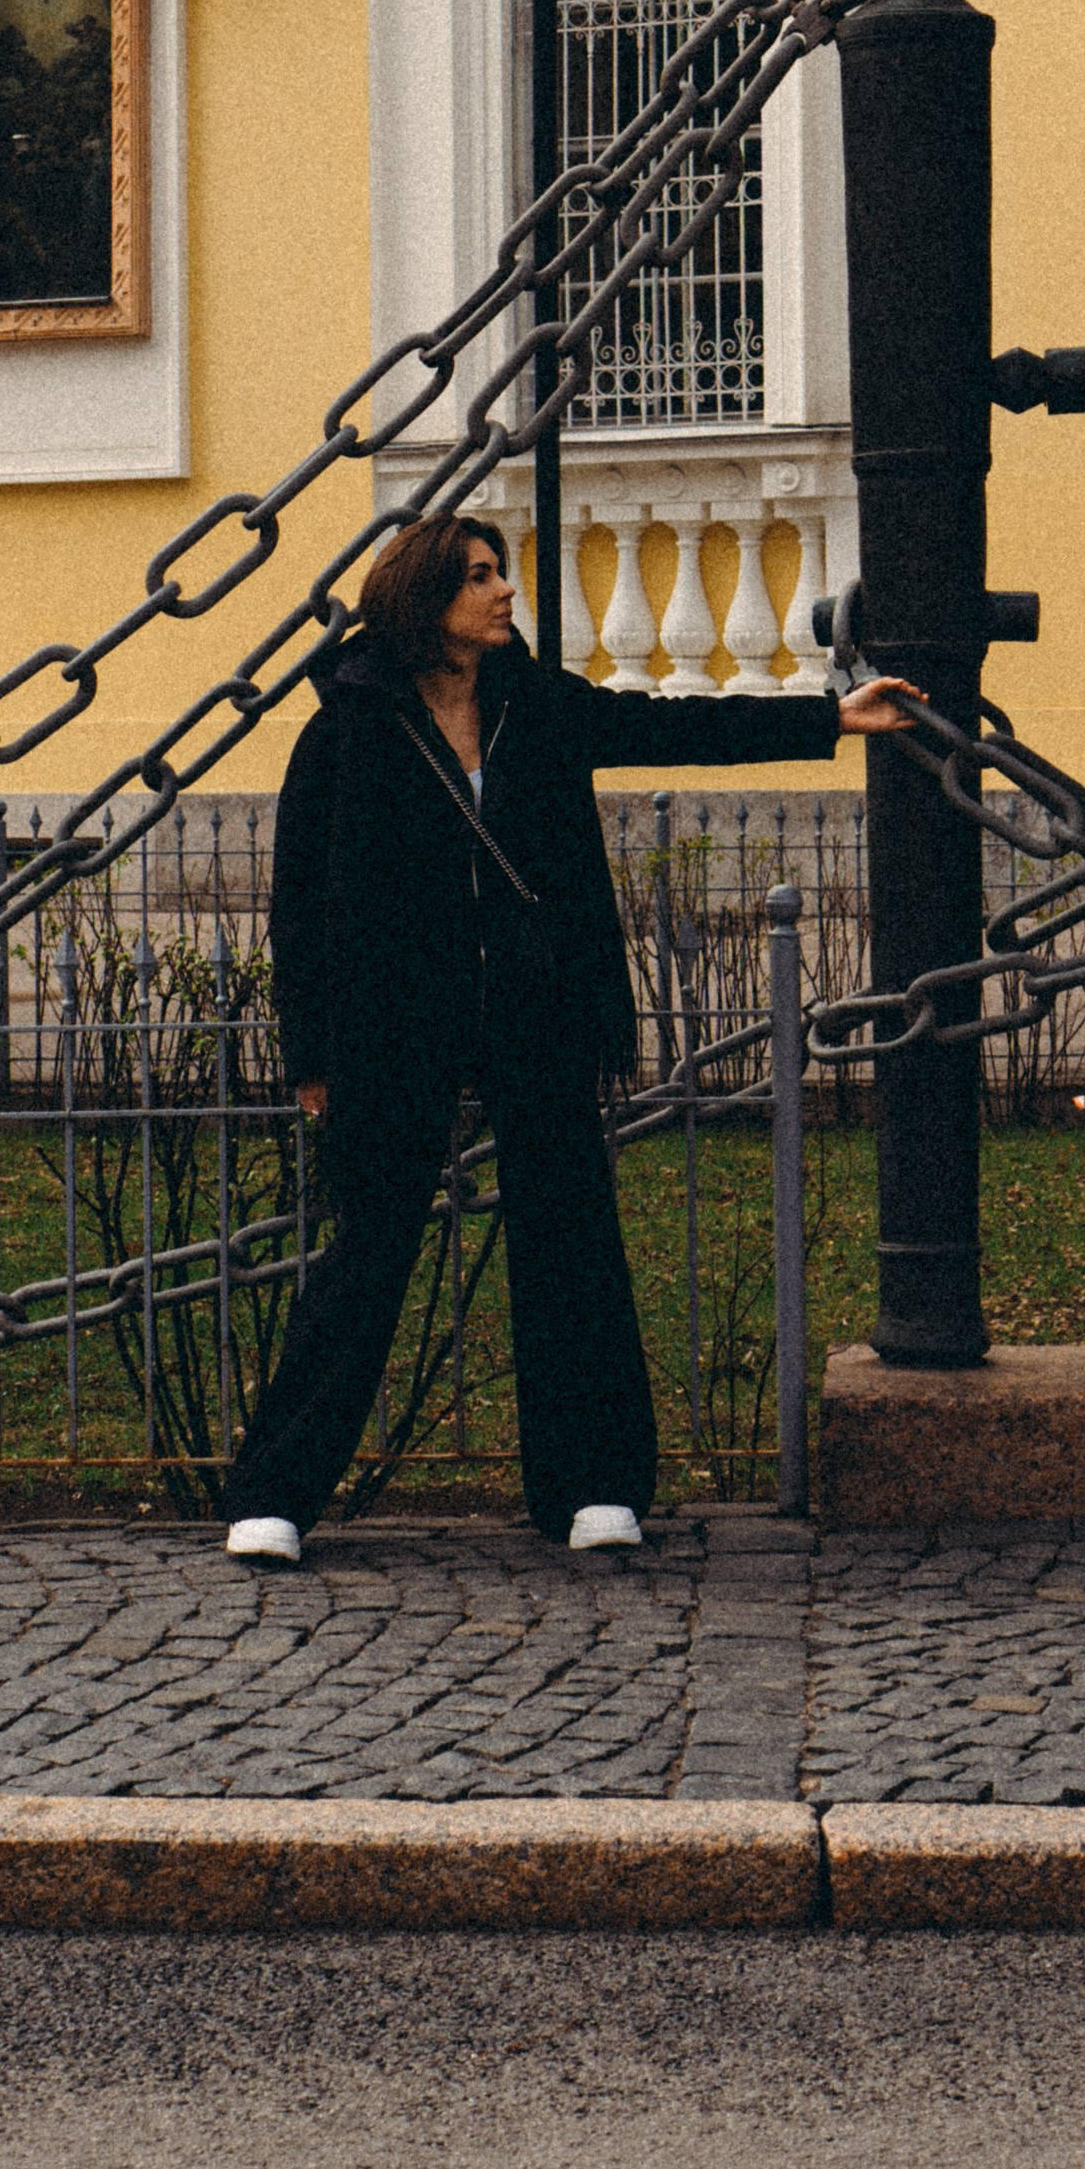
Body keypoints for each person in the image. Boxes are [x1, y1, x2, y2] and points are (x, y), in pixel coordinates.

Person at [220, 514, 923, 1564]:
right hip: (392, 1023)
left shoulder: (533, 707)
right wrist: (309, 1052)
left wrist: (832, 718)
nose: (503, 591)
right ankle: (274, 1495)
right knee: (367, 1251)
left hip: (536, 1008)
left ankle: (592, 1487)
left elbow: (667, 726)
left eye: (500, 572)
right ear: (424, 601)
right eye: (477, 577)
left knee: (570, 1241)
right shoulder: (351, 726)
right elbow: (299, 903)